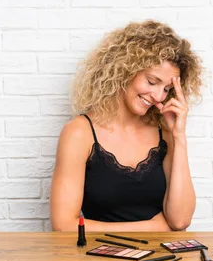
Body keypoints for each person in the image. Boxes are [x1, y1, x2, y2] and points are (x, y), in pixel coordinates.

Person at [49, 19, 203, 232]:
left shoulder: (164, 135)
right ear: (125, 71)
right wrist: (152, 228)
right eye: (151, 81)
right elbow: (63, 225)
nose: (158, 96)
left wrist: (179, 136)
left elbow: (179, 221)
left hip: (163, 260)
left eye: (167, 89)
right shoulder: (79, 133)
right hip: (99, 260)